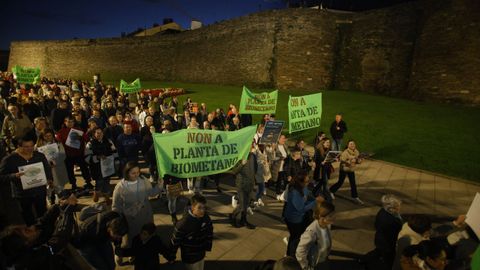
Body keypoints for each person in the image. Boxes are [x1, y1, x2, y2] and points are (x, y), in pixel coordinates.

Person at [0, 194, 77, 270]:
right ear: (26, 243)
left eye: (27, 227)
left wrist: (56, 207)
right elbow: (58, 241)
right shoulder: (32, 260)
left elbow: (42, 222)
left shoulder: (20, 252)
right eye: (27, 231)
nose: (31, 228)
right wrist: (68, 211)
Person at [112, 161, 162, 265]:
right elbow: (116, 205)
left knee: (145, 238)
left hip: (146, 216)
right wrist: (117, 220)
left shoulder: (144, 180)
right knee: (130, 240)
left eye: (138, 172)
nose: (136, 175)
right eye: (133, 173)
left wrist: (159, 186)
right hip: (130, 219)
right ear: (127, 173)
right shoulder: (120, 187)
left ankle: (135, 255)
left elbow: (151, 193)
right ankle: (121, 255)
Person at [0, 136, 53, 226]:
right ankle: (32, 233)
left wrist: (49, 179)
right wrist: (14, 176)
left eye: (31, 146)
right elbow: (1, 176)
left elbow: (47, 169)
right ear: (19, 146)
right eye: (26, 147)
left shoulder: (39, 156)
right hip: (23, 194)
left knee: (43, 214)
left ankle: (44, 232)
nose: (29, 149)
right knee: (28, 216)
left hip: (39, 191)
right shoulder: (9, 159)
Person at [284, 171, 322, 257]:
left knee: (299, 233)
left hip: (299, 217)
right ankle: (289, 255)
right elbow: (301, 209)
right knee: (294, 237)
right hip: (293, 219)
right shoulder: (294, 193)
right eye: (306, 181)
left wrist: (314, 198)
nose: (308, 183)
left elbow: (307, 194)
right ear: (300, 182)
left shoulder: (302, 187)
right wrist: (315, 202)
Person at [171, 194, 213, 270]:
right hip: (190, 257)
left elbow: (209, 232)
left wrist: (208, 246)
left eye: (204, 207)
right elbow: (175, 241)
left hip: (201, 254)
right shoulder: (183, 224)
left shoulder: (206, 218)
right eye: (199, 208)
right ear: (192, 207)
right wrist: (171, 256)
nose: (203, 211)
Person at [55, 116, 93, 190]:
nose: (70, 123)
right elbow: (58, 142)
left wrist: (82, 137)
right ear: (65, 122)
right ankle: (73, 184)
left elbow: (86, 138)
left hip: (79, 153)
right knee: (70, 171)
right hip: (68, 155)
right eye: (68, 122)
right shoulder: (61, 132)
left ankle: (88, 182)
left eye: (72, 122)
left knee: (84, 169)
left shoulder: (78, 130)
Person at [296, 200, 336, 270]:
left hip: (324, 257)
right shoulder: (311, 233)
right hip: (316, 263)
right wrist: (306, 267)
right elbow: (300, 252)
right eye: (330, 216)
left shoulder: (327, 224)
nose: (334, 217)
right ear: (321, 217)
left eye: (334, 214)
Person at [35, 129, 69, 204]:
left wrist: (55, 162)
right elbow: (35, 157)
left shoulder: (58, 143)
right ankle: (50, 199)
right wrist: (46, 163)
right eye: (45, 136)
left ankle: (61, 199)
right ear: (42, 137)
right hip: (46, 169)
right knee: (49, 186)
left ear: (52, 135)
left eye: (49, 135)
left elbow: (63, 154)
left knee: (59, 185)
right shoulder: (38, 146)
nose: (48, 137)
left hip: (57, 167)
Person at [84, 127, 117, 202]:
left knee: (107, 182)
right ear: (94, 134)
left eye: (101, 132)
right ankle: (96, 194)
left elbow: (115, 152)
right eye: (97, 133)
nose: (100, 134)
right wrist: (98, 157)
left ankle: (107, 198)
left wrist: (111, 158)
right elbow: (87, 158)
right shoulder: (90, 144)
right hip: (96, 168)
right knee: (99, 182)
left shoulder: (108, 141)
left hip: (107, 166)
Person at [372, 194, 403, 269]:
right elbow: (396, 234)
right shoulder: (393, 220)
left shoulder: (382, 211)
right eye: (398, 206)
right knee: (389, 260)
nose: (400, 207)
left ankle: (365, 259)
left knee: (379, 252)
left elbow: (376, 225)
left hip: (379, 239)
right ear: (392, 208)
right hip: (387, 244)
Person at [329, 140, 364, 204]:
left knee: (353, 183)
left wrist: (359, 161)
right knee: (340, 182)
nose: (352, 145)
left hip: (351, 169)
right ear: (348, 145)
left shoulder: (356, 152)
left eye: (353, 144)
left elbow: (357, 161)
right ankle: (331, 191)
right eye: (350, 144)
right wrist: (349, 162)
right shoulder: (345, 152)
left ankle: (355, 197)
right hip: (344, 169)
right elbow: (342, 161)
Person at [229, 151, 257, 229]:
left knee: (247, 204)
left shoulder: (252, 155)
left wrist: (253, 180)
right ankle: (233, 217)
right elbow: (234, 171)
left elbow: (255, 168)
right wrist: (242, 164)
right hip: (241, 185)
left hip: (250, 184)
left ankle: (243, 220)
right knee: (242, 205)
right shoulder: (238, 155)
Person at [254, 144, 271, 208]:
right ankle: (256, 200)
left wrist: (267, 161)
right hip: (259, 171)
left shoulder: (265, 151)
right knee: (261, 186)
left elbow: (270, 157)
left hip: (265, 171)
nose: (264, 146)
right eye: (263, 145)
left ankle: (259, 199)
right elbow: (255, 161)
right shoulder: (256, 151)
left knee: (261, 187)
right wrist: (262, 161)